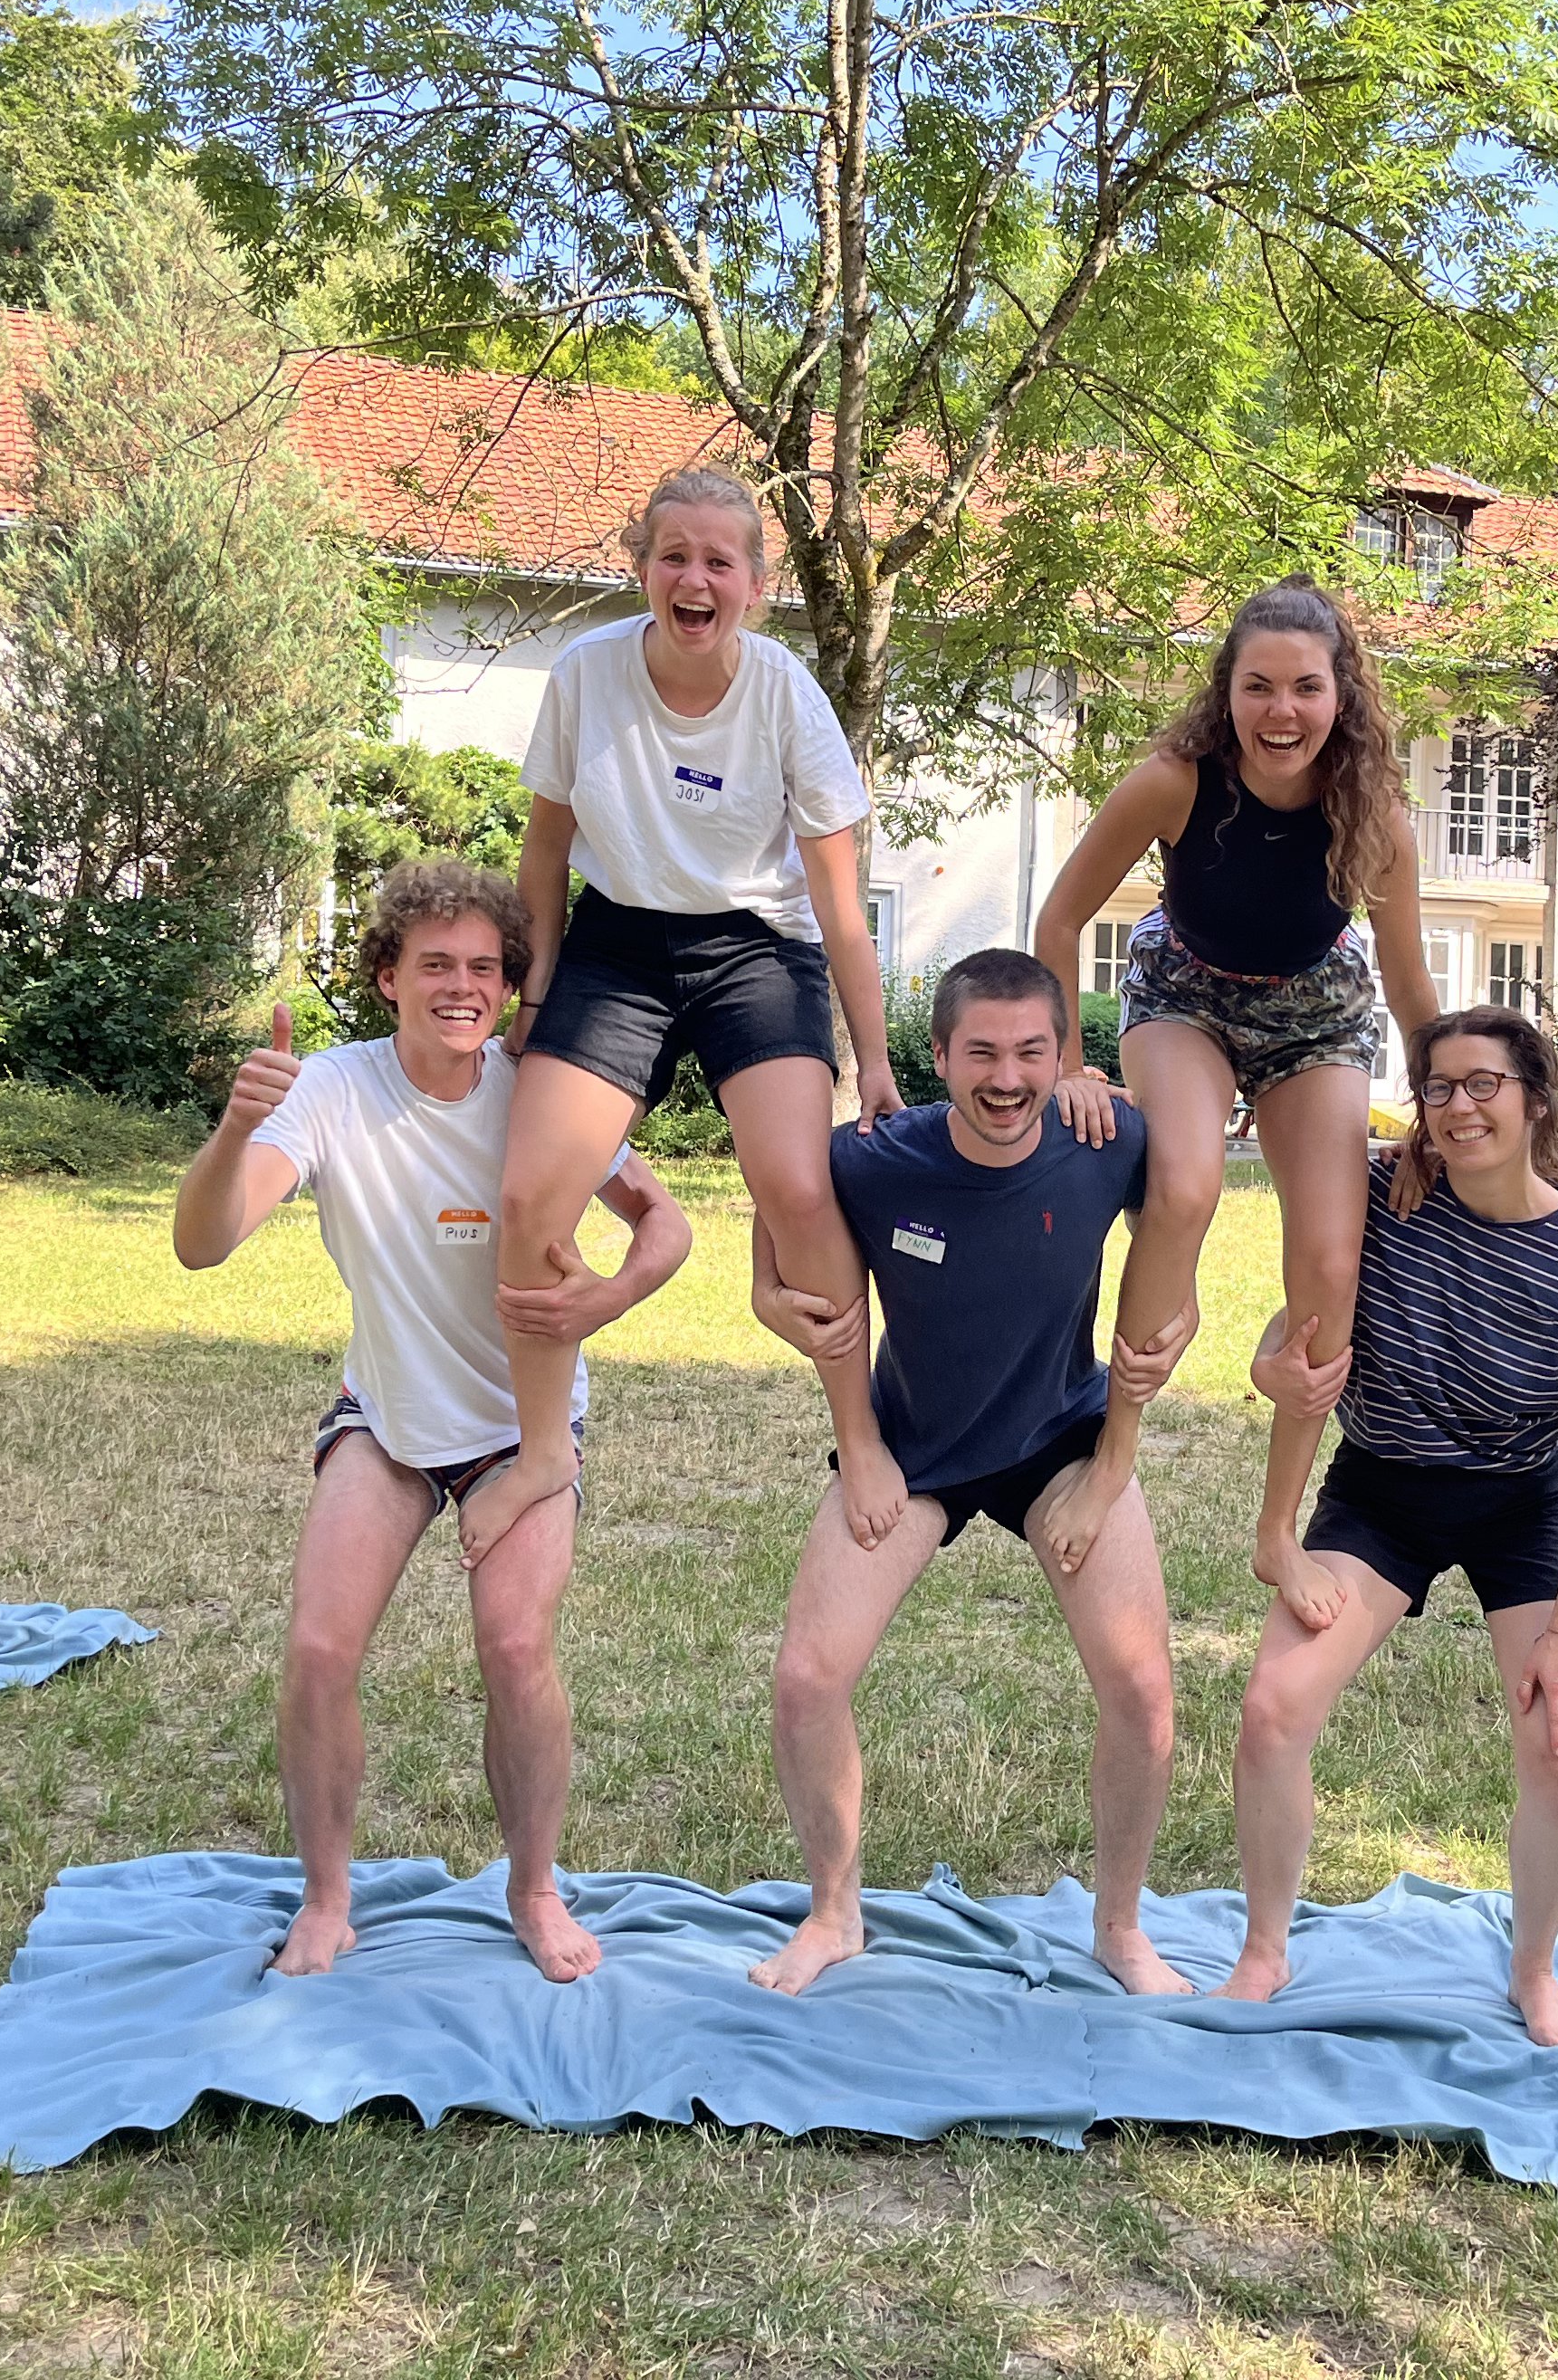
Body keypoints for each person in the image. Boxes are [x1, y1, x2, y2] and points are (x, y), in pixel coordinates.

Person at [173, 859, 691, 1981]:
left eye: (486, 969)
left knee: (514, 1647)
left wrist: (611, 1295)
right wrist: (233, 1129)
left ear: (511, 985)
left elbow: (665, 1225)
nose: (463, 988)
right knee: (317, 1650)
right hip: (388, 1416)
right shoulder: (333, 1090)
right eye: (436, 966)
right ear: (386, 977)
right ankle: (325, 1898)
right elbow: (205, 1241)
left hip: (523, 1428)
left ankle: (535, 1888)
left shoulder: (540, 1089)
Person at [741, 950, 1202, 1995]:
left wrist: (1157, 1380)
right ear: (938, 1054)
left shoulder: (1107, 1140)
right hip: (910, 1450)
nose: (1007, 1077)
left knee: (1141, 1688)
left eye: (1033, 1052)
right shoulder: (874, 1159)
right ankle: (833, 1913)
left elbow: (1178, 1248)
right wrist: (782, 1320)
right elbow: (775, 1241)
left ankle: (1121, 1928)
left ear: (1061, 1056)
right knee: (808, 1680)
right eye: (982, 1052)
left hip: (1060, 1442)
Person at [1213, 1006, 1558, 2045]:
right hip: (1382, 1490)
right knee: (1273, 1709)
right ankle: (1264, 1950)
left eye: (1483, 1085)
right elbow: (1300, 1322)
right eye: (1440, 1088)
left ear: (1534, 1099)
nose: (1459, 1108)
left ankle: (1535, 1973)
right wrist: (1267, 1357)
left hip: (1524, 1504)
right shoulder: (1383, 1194)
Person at [497, 467, 897, 1568]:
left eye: (720, 561)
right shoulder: (586, 675)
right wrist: (531, 997)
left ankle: (859, 1437)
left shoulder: (785, 696)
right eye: (674, 555)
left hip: (756, 949)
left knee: (802, 1185)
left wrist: (874, 1063)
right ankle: (541, 1448)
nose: (695, 577)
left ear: (756, 589)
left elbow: (837, 904)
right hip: (617, 940)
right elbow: (544, 851)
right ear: (643, 569)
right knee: (532, 1189)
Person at [1030, 578, 1436, 1610]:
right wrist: (1072, 1062)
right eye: (1259, 686)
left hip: (1318, 1015)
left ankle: (1276, 1534)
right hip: (1187, 996)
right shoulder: (1173, 781)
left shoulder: (1376, 815)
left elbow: (1409, 981)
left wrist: (1441, 1108)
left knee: (1332, 1262)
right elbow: (1059, 920)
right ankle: (1114, 1457)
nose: (1281, 712)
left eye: (1306, 687)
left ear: (1341, 694)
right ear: (1229, 690)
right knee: (1182, 1190)